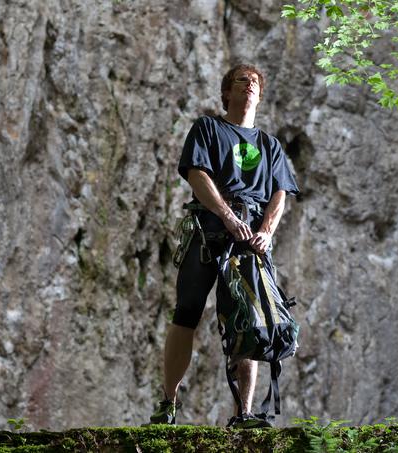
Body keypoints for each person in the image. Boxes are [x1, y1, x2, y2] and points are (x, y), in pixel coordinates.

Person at [149, 63, 299, 428]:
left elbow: (280, 193)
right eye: (241, 81)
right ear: (226, 92)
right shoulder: (208, 129)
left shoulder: (270, 146)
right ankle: (168, 403)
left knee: (247, 320)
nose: (249, 86)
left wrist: (266, 231)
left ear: (260, 96)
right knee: (186, 312)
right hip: (209, 230)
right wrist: (229, 219)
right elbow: (197, 174)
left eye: (254, 83)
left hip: (250, 243)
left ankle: (243, 413)